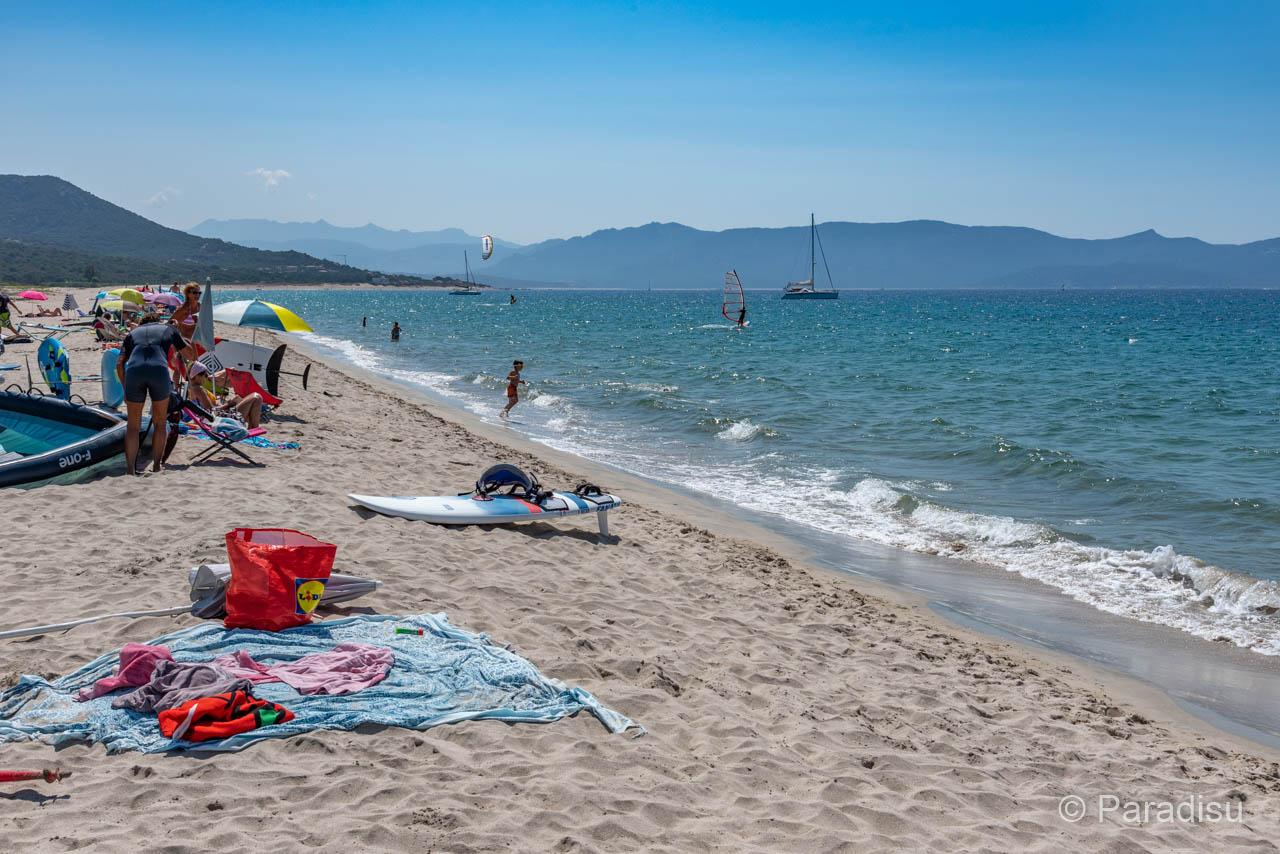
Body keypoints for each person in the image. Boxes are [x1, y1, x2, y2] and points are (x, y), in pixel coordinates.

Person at [116, 314, 195, 474]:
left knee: (133, 427)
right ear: (157, 322)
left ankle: (131, 470)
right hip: (158, 370)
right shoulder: (168, 329)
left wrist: (125, 387)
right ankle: (157, 466)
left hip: (134, 371)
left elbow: (119, 363)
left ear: (141, 323)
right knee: (160, 423)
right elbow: (191, 355)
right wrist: (180, 335)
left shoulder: (132, 334)